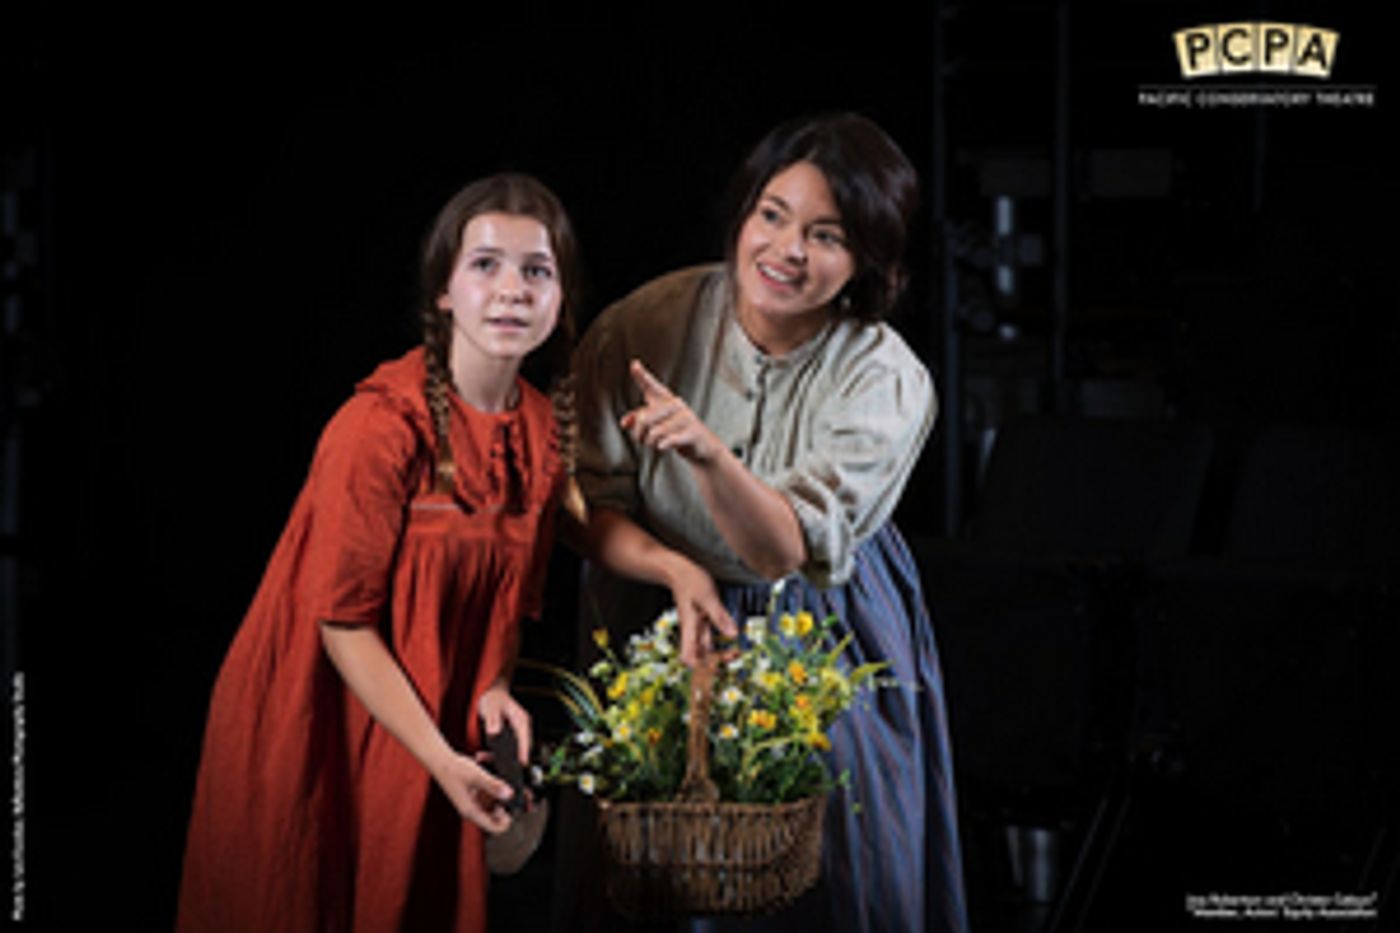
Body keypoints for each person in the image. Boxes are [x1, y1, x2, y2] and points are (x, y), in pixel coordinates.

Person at [571, 113, 969, 933]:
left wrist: (708, 455)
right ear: (743, 214)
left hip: (822, 623)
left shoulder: (884, 376)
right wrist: (676, 570)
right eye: (772, 215)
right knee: (644, 876)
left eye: (827, 235)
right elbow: (583, 503)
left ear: (866, 260)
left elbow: (782, 546)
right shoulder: (644, 322)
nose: (788, 250)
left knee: (833, 878)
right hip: (656, 607)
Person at [176, 173, 584, 933]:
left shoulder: (543, 431)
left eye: (537, 270)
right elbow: (341, 624)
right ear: (443, 293)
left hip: (437, 726)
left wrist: (495, 686)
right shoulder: (378, 427)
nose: (512, 289)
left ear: (560, 300)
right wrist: (437, 756)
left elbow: (508, 601)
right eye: (485, 265)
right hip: (325, 711)